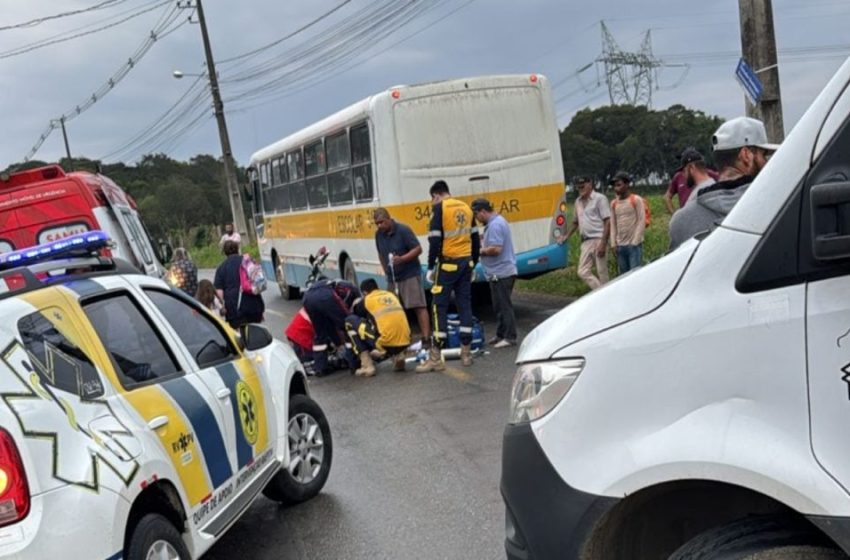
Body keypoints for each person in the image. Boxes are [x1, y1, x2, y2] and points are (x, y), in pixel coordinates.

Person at [668, 117, 779, 250]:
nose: (766, 162)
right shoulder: (776, 206)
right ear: (746, 155)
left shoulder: (681, 222)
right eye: (764, 155)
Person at [419, 180, 480, 371]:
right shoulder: (466, 208)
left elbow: (435, 241)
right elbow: (475, 239)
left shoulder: (440, 209)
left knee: (438, 307)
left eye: (432, 199)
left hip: (447, 264)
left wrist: (431, 266)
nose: (432, 202)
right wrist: (474, 263)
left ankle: (435, 358)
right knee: (465, 306)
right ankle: (466, 353)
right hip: (466, 263)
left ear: (436, 195)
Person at [373, 207, 431, 349]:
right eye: (377, 223)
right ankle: (401, 340)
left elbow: (418, 249)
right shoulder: (379, 235)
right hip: (393, 278)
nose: (379, 226)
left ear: (389, 219)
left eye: (382, 222)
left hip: (409, 273)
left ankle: (426, 338)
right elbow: (380, 254)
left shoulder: (403, 230)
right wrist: (386, 270)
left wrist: (403, 259)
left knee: (418, 306)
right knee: (393, 309)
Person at [471, 198, 517, 348]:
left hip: (502, 273)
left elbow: (496, 249)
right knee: (497, 305)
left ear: (483, 211)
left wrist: (479, 251)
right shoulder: (494, 223)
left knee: (504, 305)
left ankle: (510, 337)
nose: (477, 219)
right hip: (496, 272)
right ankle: (500, 334)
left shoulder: (496, 225)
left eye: (476, 215)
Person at [345, 279, 411, 377]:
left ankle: (367, 366)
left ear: (364, 293)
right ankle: (399, 357)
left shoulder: (367, 300)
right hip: (406, 341)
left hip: (386, 343)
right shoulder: (391, 295)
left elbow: (356, 315)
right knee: (389, 324)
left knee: (349, 321)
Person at [558, 175, 611, 290]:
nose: (580, 189)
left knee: (602, 272)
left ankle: (607, 294)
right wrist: (566, 236)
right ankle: (601, 292)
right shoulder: (578, 202)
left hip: (599, 238)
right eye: (578, 187)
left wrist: (603, 243)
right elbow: (575, 222)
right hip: (586, 241)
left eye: (583, 186)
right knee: (582, 271)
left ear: (590, 184)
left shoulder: (600, 198)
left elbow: (607, 221)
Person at [302, 277, 360, 376]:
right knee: (347, 325)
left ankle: (320, 368)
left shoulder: (335, 284)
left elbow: (331, 325)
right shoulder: (351, 290)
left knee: (320, 333)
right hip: (325, 296)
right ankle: (354, 364)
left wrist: (338, 342)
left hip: (307, 298)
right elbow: (346, 313)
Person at [214, 240, 264, 328]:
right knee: (255, 331)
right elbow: (257, 282)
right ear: (238, 249)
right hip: (254, 304)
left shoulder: (221, 268)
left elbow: (219, 294)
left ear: (225, 252)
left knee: (238, 333)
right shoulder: (248, 261)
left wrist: (222, 309)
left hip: (234, 309)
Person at [608, 172, 646, 274]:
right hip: (620, 246)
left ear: (627, 184)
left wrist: (635, 241)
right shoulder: (614, 203)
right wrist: (613, 243)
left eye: (619, 185)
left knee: (635, 274)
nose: (616, 188)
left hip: (633, 245)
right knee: (624, 276)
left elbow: (641, 220)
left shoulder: (636, 200)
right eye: (614, 186)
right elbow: (613, 225)